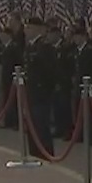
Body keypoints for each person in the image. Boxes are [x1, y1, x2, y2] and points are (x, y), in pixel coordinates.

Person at [22, 17, 56, 159]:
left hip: (41, 93)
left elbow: (50, 71)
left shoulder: (45, 46)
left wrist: (45, 89)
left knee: (41, 127)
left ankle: (45, 156)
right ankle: (34, 154)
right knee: (32, 127)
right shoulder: (30, 46)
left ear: (37, 29)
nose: (26, 31)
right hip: (31, 92)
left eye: (29, 28)